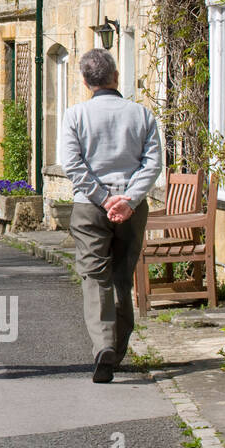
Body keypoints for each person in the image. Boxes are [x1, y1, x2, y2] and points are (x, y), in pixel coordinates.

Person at [61, 48, 163, 383]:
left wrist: (104, 199)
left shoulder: (75, 115)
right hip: (131, 209)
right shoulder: (142, 115)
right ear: (115, 76)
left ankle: (103, 345)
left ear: (85, 81)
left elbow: (73, 165)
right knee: (121, 275)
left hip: (90, 205)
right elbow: (152, 163)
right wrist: (128, 200)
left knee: (94, 275)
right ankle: (117, 349)